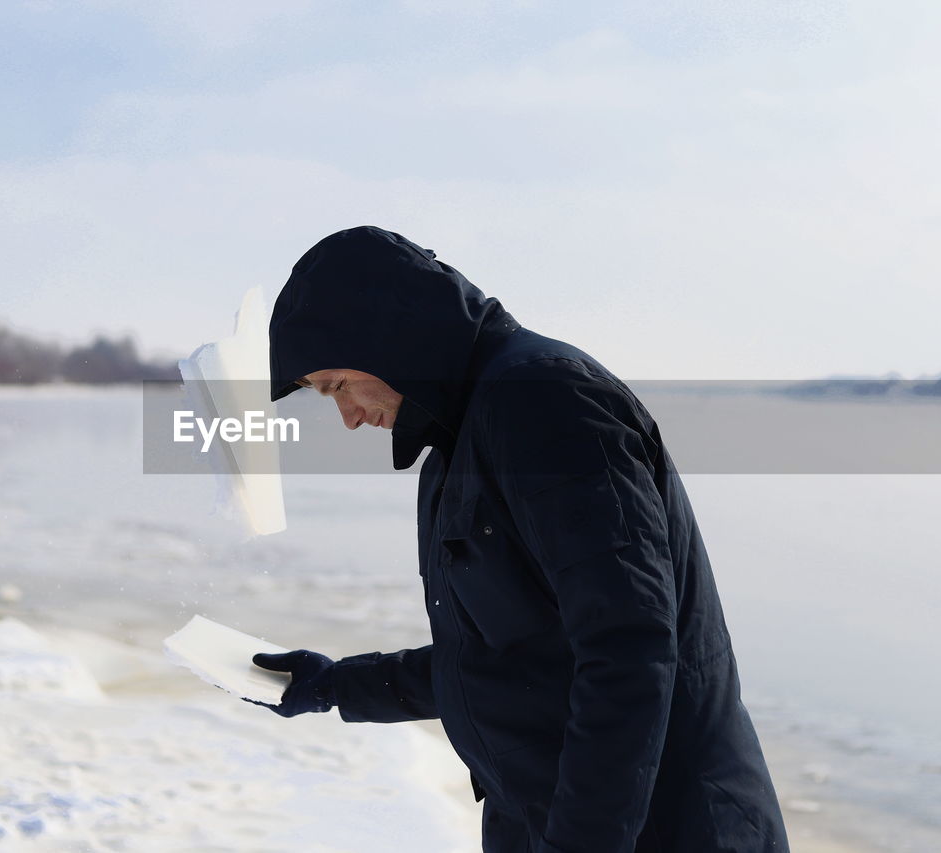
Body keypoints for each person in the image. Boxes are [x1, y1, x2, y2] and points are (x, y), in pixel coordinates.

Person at [251, 225, 790, 852]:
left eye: (337, 385)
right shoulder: (460, 444)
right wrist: (334, 685)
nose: (346, 417)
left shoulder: (545, 401)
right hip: (547, 820)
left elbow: (629, 651)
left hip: (666, 829)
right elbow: (502, 663)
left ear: (383, 336)